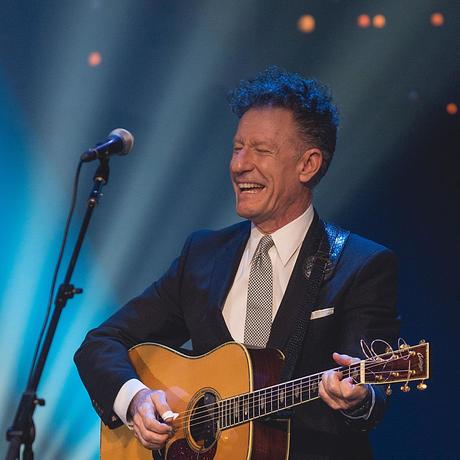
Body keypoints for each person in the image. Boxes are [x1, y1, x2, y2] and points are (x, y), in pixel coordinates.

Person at [75, 66, 399, 459]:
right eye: (237, 148)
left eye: (261, 150)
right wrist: (137, 400)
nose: (239, 165)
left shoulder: (360, 265)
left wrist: (359, 399)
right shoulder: (203, 255)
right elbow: (102, 343)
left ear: (308, 164)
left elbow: (371, 391)